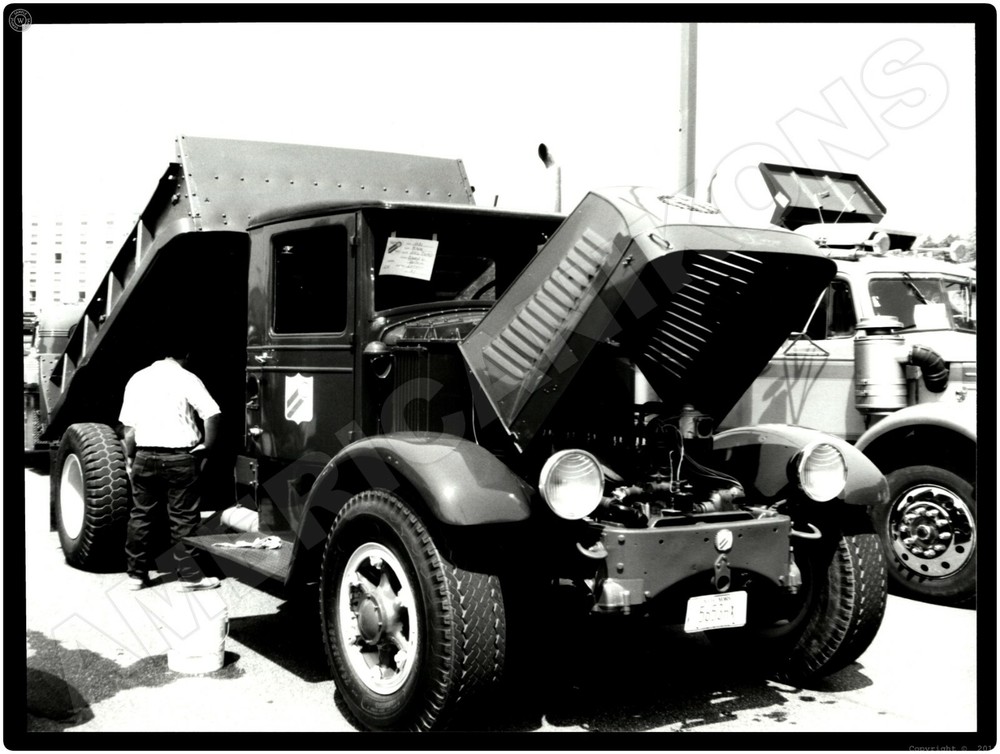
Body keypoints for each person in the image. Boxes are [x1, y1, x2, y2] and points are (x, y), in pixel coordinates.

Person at [119, 344, 223, 591]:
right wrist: (207, 446)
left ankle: (136, 576)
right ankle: (189, 577)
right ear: (187, 354)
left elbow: (129, 429)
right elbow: (212, 414)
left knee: (141, 515)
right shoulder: (187, 378)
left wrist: (131, 458)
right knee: (183, 518)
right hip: (179, 458)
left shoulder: (138, 378)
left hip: (145, 454)